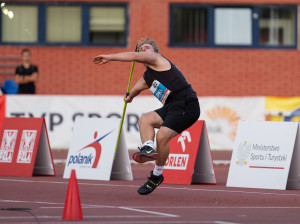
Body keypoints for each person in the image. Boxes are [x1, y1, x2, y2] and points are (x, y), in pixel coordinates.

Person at [93, 37, 200, 195]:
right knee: (145, 120)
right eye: (141, 49)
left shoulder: (157, 58)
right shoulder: (148, 77)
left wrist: (110, 57)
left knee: (162, 136)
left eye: (146, 48)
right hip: (171, 107)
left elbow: (133, 56)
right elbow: (137, 88)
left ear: (154, 51)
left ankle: (156, 176)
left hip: (187, 104)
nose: (143, 50)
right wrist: (130, 97)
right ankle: (148, 148)